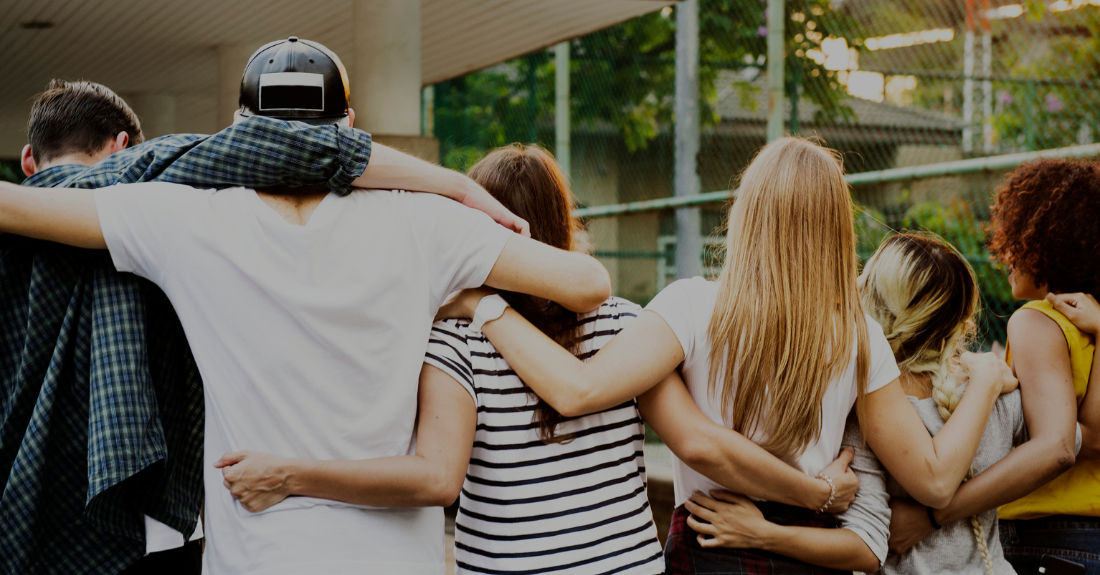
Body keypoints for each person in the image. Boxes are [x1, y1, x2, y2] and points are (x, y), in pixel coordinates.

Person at [208, 144, 865, 575]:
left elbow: (437, 478)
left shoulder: (456, 338)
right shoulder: (627, 323)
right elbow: (694, 435)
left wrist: (294, 473)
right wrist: (817, 491)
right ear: (561, 225)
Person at [0, 46, 526, 575]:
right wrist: (465, 242)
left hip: (242, 551)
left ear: (239, 127)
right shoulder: (429, 222)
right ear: (349, 123)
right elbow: (585, 283)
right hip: (393, 559)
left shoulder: (180, 217)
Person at [434, 137, 1018, 574]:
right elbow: (935, 482)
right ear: (837, 227)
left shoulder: (688, 307)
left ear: (747, 212)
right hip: (812, 547)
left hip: (714, 541)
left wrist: (486, 307)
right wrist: (988, 382)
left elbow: (583, 392)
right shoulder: (861, 337)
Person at [680, 233, 1084, 575]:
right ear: (959, 321)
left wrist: (762, 533)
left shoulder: (863, 411)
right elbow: (1070, 440)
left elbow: (870, 543)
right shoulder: (995, 392)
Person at [883, 160, 1100, 574]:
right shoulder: (1093, 326)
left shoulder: (1036, 320)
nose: (1005, 254)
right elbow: (1092, 438)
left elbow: (1060, 446)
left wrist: (933, 516)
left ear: (1045, 238)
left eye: (1013, 237)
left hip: (1049, 540)